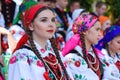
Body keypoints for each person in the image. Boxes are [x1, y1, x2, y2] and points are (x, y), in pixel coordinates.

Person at [8, 4, 73, 80]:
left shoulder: (56, 53)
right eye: (44, 20)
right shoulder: (22, 56)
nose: (51, 24)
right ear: (31, 26)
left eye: (53, 20)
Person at [62, 14, 120, 80]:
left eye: (100, 30)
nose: (100, 34)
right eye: (97, 29)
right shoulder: (72, 58)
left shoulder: (99, 56)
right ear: (85, 31)